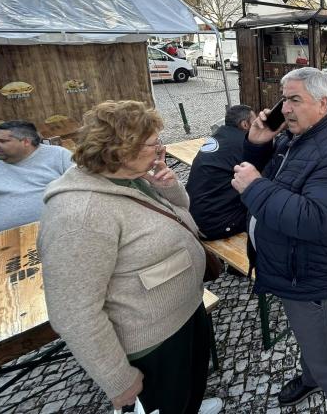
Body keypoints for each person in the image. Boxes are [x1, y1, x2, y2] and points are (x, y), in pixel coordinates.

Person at [38, 101, 222, 414]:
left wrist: (170, 187)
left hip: (186, 312)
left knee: (189, 388)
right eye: (154, 143)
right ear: (123, 149)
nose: (160, 150)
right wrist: (118, 379)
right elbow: (74, 312)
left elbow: (183, 215)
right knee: (165, 402)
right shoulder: (79, 213)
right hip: (152, 340)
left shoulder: (129, 176)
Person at [233, 68, 327, 413]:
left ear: (322, 103)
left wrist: (255, 187)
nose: (285, 108)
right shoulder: (296, 135)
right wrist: (258, 146)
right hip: (291, 267)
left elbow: (315, 220)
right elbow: (277, 180)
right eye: (283, 98)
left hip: (313, 275)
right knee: (313, 340)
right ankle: (311, 377)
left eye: (294, 100)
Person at [0, 120, 72, 233]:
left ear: (26, 141)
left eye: (2, 141)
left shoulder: (59, 155)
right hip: (0, 239)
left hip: (57, 229)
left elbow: (83, 186)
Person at [186, 105, 256, 240]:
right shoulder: (243, 144)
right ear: (245, 124)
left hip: (193, 215)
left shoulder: (220, 136)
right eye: (255, 121)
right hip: (213, 224)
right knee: (265, 212)